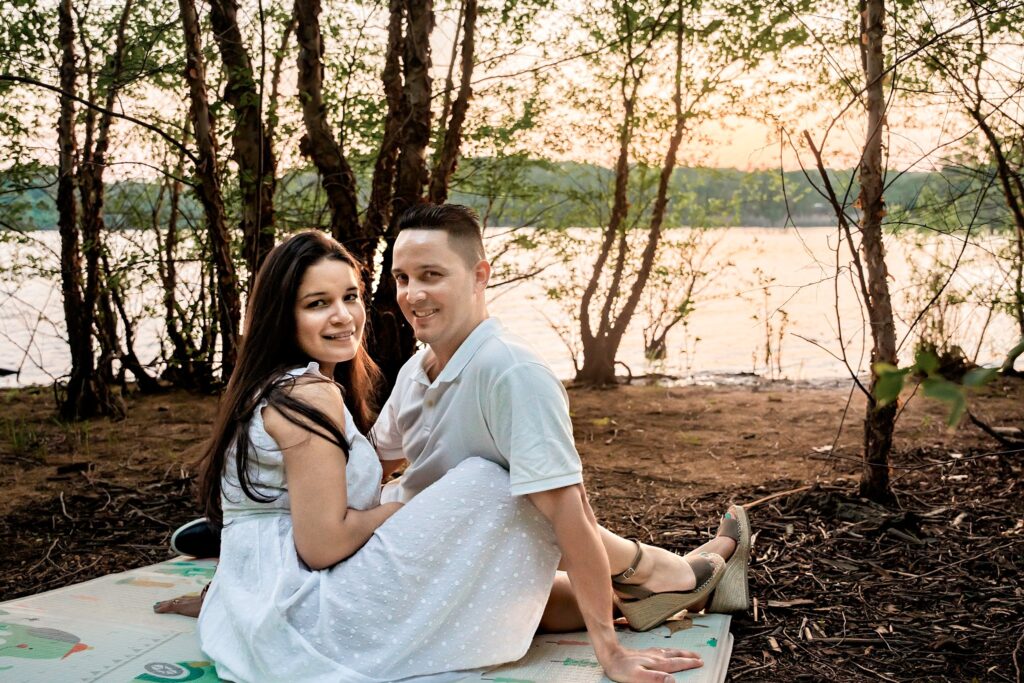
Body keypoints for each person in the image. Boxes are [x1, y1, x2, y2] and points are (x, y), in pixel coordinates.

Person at [193, 231, 586, 682]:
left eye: (350, 297)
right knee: (491, 483)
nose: (343, 317)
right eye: (317, 303)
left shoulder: (269, 388)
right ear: (282, 317)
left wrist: (229, 597)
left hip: (260, 608)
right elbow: (323, 546)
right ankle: (644, 578)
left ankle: (646, 584)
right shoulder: (308, 395)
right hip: (309, 619)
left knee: (486, 570)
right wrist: (402, 509)